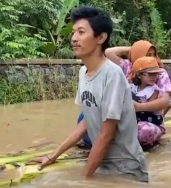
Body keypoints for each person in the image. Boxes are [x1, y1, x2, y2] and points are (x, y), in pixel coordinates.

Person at [33, 6, 148, 182]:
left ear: (101, 37)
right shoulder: (83, 73)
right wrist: (52, 156)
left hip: (127, 169)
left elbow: (106, 135)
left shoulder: (112, 74)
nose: (74, 38)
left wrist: (83, 180)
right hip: (103, 165)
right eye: (73, 33)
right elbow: (86, 121)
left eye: (81, 32)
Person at [77, 40, 171, 149]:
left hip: (145, 120)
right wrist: (134, 49)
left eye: (154, 55)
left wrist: (138, 107)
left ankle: (118, 141)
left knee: (143, 131)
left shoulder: (160, 73)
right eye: (148, 55)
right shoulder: (128, 66)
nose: (152, 58)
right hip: (125, 117)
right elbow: (108, 52)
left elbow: (165, 101)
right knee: (91, 116)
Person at [129, 57, 164, 148]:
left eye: (156, 74)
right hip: (135, 121)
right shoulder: (132, 88)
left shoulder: (155, 90)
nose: (154, 77)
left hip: (152, 123)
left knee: (144, 130)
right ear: (140, 75)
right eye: (150, 74)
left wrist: (136, 104)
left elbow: (149, 107)